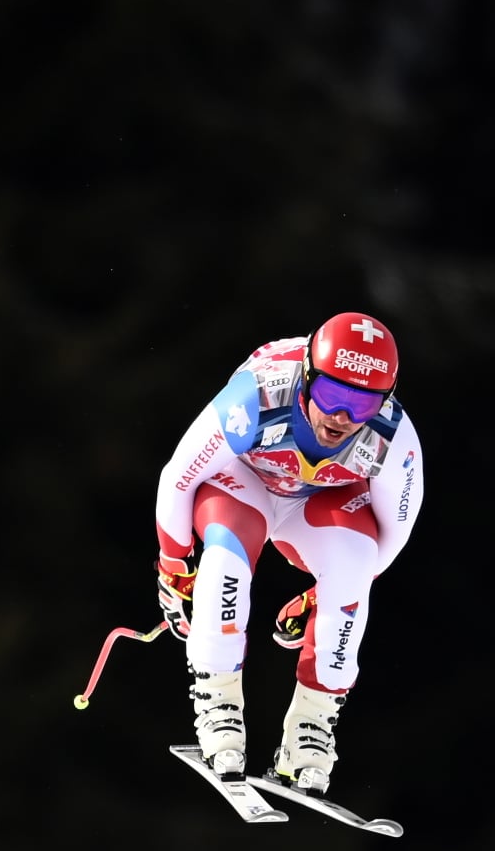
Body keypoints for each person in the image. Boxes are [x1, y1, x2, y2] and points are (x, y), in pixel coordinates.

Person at [153, 312, 423, 795]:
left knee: (354, 568)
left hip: (317, 503)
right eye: (332, 396)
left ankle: (311, 730)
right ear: (306, 375)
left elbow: (394, 535)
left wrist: (325, 593)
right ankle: (218, 704)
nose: (342, 417)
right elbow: (178, 477)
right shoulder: (258, 395)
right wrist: (174, 566)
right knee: (225, 560)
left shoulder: (392, 438)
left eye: (361, 404)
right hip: (246, 485)